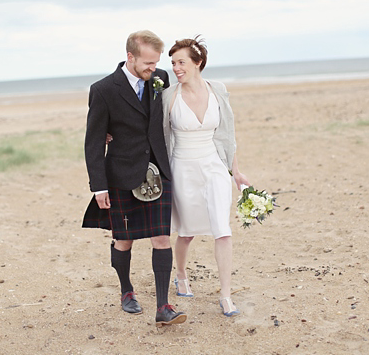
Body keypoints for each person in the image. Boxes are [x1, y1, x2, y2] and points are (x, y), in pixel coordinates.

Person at [82, 30, 187, 327]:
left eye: (156, 63)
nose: (153, 69)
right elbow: (93, 141)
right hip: (121, 174)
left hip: (157, 172)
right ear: (130, 57)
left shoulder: (160, 79)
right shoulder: (103, 89)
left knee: (162, 237)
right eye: (147, 63)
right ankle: (127, 291)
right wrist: (98, 185)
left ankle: (163, 306)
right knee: (124, 240)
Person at [162, 36, 249, 317]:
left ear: (198, 63)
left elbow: (227, 135)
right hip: (182, 168)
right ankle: (182, 275)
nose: (176, 67)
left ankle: (225, 296)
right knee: (186, 232)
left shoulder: (219, 90)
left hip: (213, 165)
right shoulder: (168, 96)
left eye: (181, 62)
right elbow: (154, 133)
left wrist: (236, 172)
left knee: (222, 229)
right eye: (173, 62)